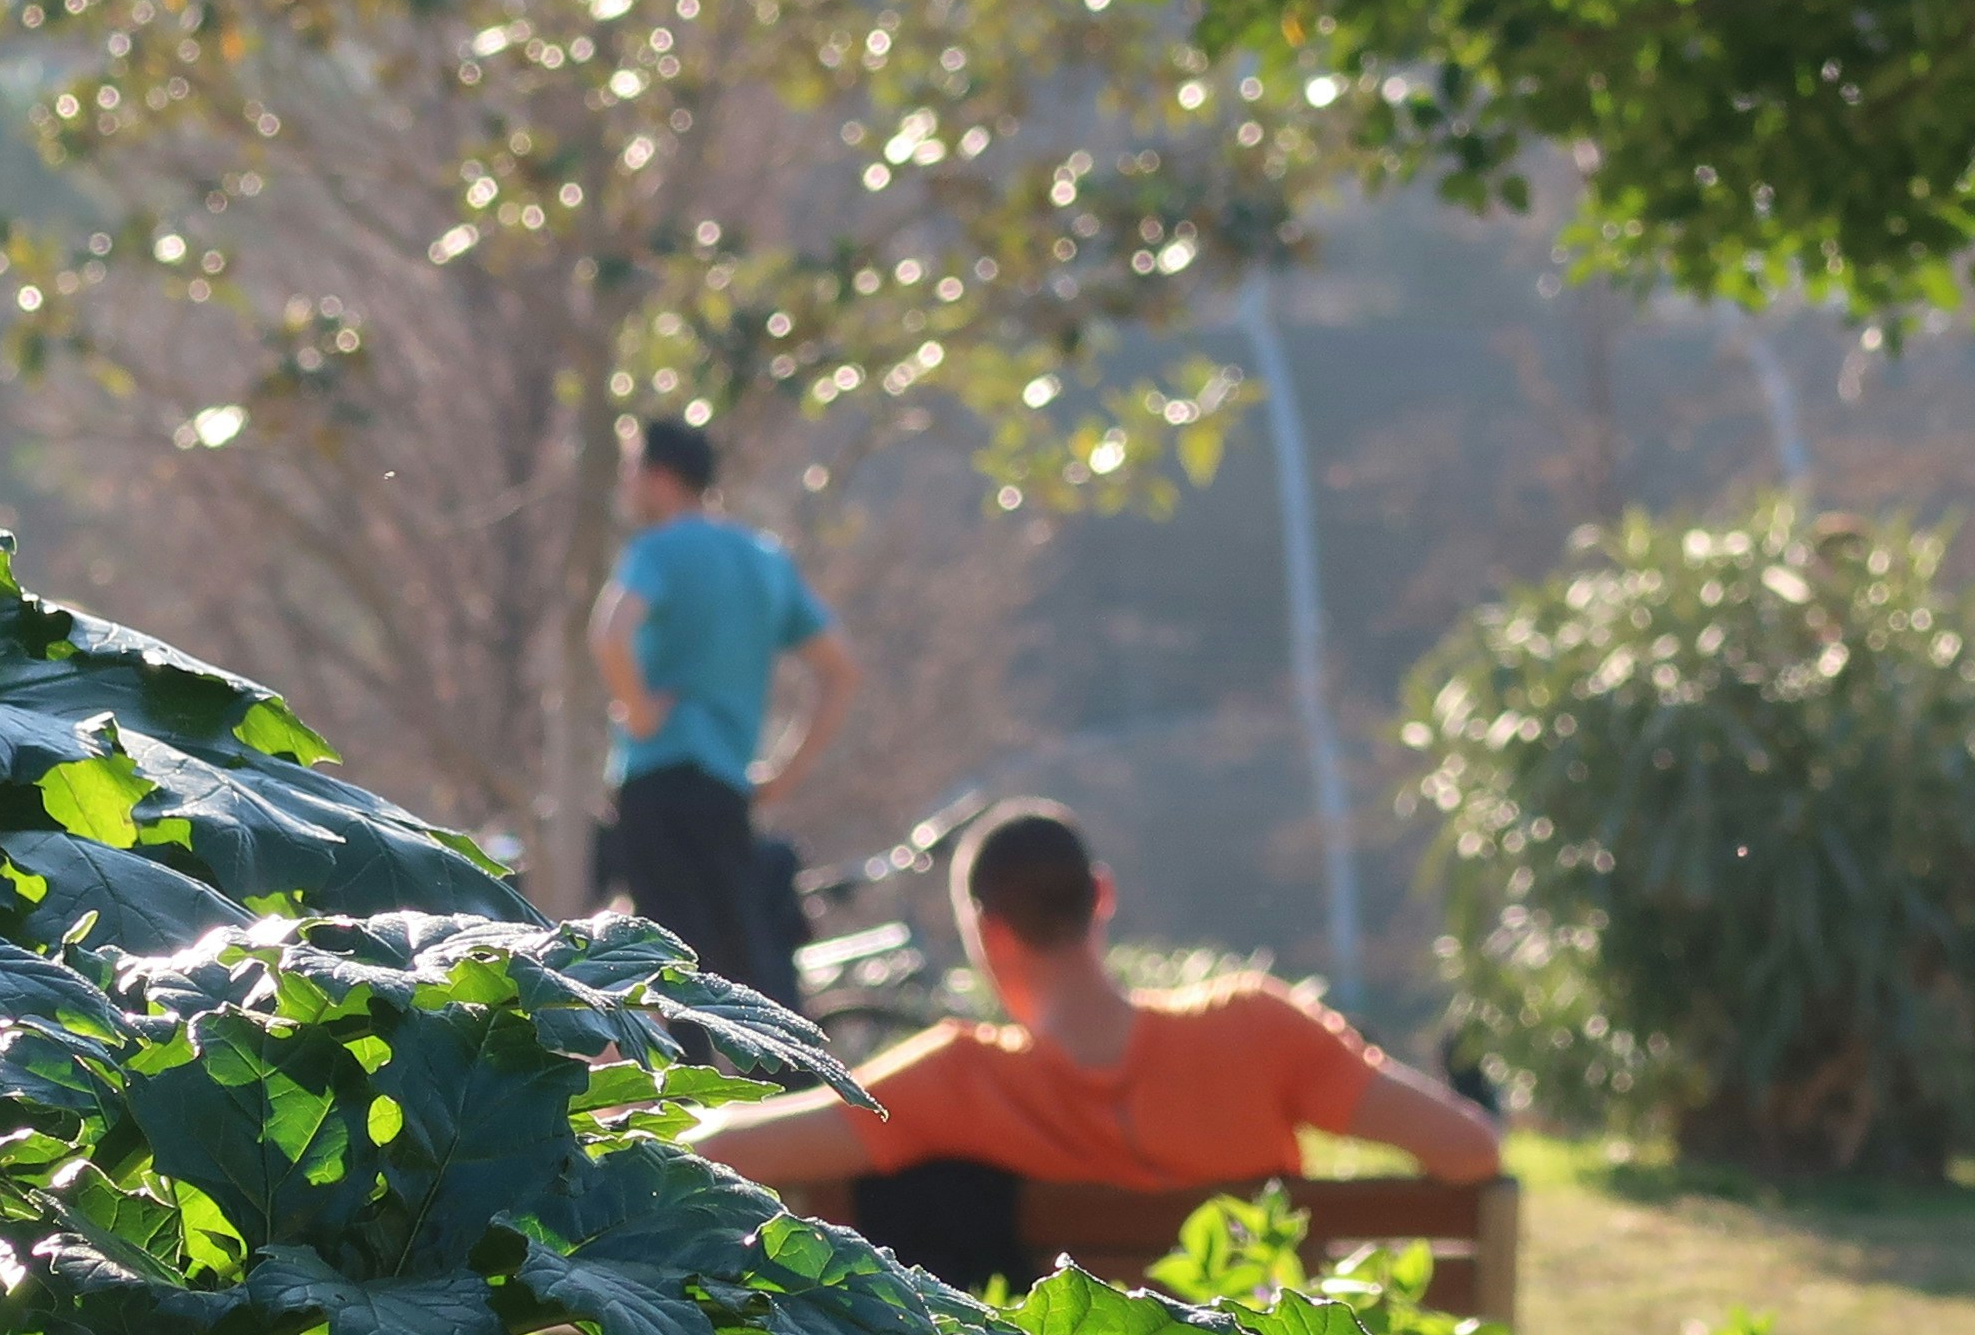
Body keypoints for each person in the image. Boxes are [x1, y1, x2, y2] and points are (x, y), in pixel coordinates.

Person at [687, 802, 1498, 1246]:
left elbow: (721, 1148)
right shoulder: (1260, 1029)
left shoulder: (956, 1081)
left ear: (989, 934)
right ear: (1102, 896)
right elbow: (1469, 1151)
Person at [591, 415, 855, 1007]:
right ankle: (780, 1092)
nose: (626, 486)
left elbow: (610, 634)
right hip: (725, 790)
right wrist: (786, 773)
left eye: (631, 469)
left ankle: (688, 1096)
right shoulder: (764, 560)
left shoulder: (655, 551)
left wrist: (638, 713)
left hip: (656, 784)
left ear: (660, 477)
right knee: (741, 968)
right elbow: (840, 671)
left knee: (668, 970)